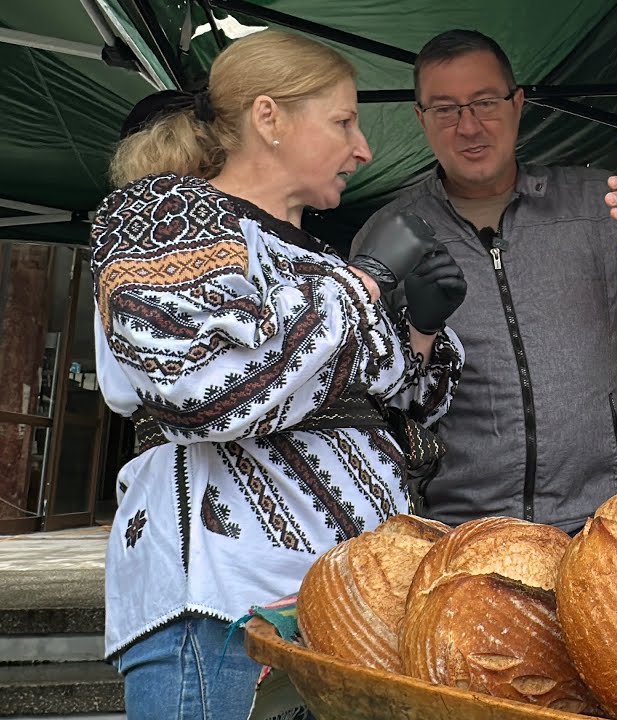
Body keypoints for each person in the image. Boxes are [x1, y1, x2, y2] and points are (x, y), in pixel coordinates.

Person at [92, 31, 466, 718]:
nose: (364, 150)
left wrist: (421, 327)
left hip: (343, 607)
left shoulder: (318, 256)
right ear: (269, 118)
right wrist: (363, 286)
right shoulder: (166, 213)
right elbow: (205, 393)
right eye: (344, 121)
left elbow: (390, 401)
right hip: (222, 601)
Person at [352, 29, 617, 533]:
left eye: (485, 102)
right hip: (454, 531)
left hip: (591, 524)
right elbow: (372, 390)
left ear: (518, 104)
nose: (469, 126)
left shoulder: (599, 204)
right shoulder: (389, 234)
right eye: (445, 109)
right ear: (421, 119)